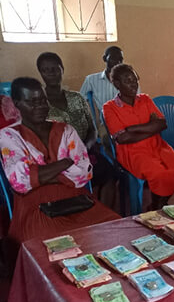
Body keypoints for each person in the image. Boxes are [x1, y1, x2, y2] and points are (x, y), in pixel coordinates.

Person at [0, 77, 119, 269]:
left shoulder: (66, 130)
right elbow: (21, 182)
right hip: (34, 206)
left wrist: (39, 174)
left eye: (42, 100)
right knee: (47, 248)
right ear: (17, 104)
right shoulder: (8, 135)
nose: (40, 106)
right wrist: (64, 163)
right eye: (32, 102)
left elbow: (84, 172)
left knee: (112, 227)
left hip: (77, 200)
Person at [103, 64, 174, 209]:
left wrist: (134, 129)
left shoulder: (145, 99)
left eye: (135, 80)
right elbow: (122, 139)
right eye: (127, 81)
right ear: (117, 84)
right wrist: (151, 127)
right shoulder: (109, 108)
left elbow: (162, 124)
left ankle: (157, 204)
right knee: (158, 173)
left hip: (158, 146)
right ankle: (158, 205)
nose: (133, 84)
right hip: (132, 152)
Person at [36, 52, 117, 208]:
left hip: (85, 151)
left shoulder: (77, 98)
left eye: (55, 68)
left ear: (62, 69)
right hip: (58, 158)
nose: (52, 73)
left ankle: (106, 215)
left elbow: (92, 129)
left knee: (109, 172)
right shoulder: (39, 104)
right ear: (41, 73)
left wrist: (85, 147)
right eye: (46, 70)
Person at [80, 46, 126, 110]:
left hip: (124, 115)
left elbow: (137, 102)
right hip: (102, 115)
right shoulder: (91, 80)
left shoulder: (130, 81)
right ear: (104, 58)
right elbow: (80, 101)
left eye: (120, 59)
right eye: (113, 58)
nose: (118, 62)